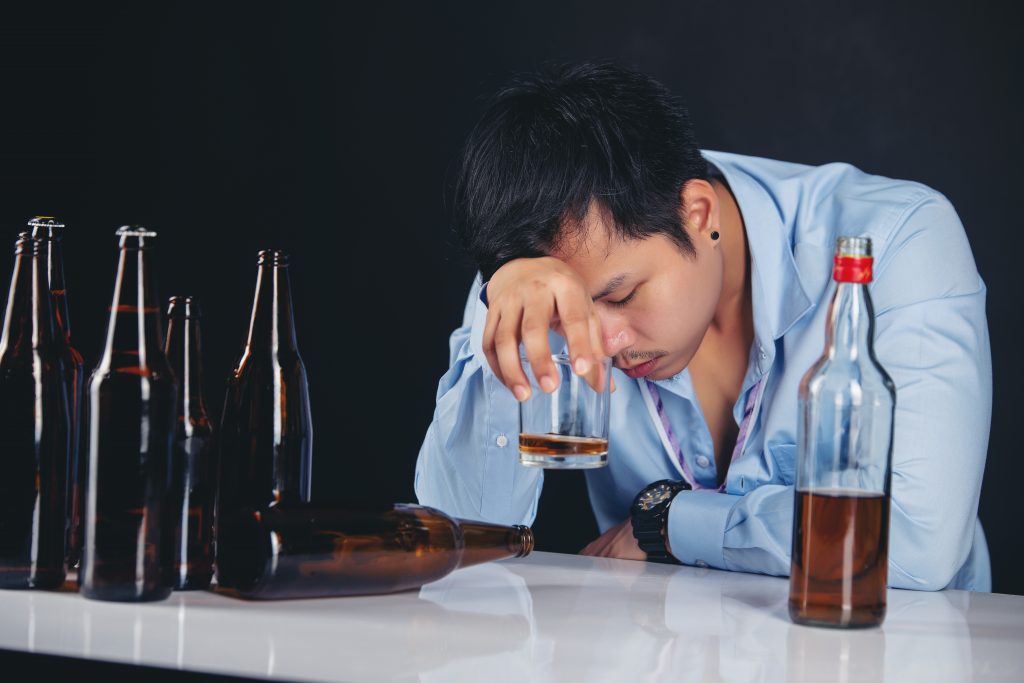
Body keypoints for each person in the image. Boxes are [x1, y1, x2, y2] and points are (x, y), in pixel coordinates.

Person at [414, 61, 991, 591]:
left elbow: (918, 546)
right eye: (580, 317)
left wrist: (669, 524)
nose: (606, 343)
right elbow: (463, 543)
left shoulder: (895, 241)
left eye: (622, 295)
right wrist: (500, 328)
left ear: (698, 214)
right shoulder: (535, 285)